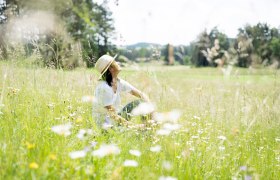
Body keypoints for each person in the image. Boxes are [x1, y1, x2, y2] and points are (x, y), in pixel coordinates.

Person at [92, 54, 151, 128]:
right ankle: (144, 129)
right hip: (106, 125)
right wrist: (134, 126)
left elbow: (140, 94)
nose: (118, 63)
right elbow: (112, 115)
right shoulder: (104, 88)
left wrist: (149, 105)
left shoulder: (118, 82)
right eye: (115, 62)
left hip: (115, 119)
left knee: (142, 102)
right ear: (111, 68)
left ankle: (149, 127)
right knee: (134, 130)